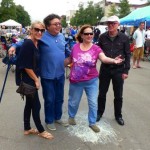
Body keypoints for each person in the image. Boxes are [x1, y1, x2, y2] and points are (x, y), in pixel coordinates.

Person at [8, 14, 70, 131]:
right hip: (47, 75)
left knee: (59, 98)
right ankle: (49, 120)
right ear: (47, 26)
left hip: (60, 74)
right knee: (50, 99)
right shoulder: (42, 36)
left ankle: (58, 117)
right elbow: (26, 41)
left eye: (59, 24)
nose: (58, 26)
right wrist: (14, 46)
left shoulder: (62, 36)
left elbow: (66, 50)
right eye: (55, 24)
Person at [64, 24, 123, 133]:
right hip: (76, 81)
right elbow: (70, 59)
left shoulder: (96, 48)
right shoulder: (75, 47)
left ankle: (92, 122)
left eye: (91, 33)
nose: (89, 35)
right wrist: (59, 64)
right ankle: (71, 117)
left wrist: (113, 60)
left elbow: (104, 58)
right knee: (73, 102)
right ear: (82, 35)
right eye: (86, 33)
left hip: (91, 81)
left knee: (93, 103)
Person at [17, 21, 53, 140]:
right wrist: (36, 80)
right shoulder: (28, 44)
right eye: (36, 29)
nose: (39, 32)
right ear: (31, 30)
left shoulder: (36, 42)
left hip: (30, 79)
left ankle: (27, 128)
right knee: (36, 105)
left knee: (29, 104)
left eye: (42, 30)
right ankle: (41, 130)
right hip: (29, 80)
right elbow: (27, 66)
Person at [96, 16, 131, 126]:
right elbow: (97, 52)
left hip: (119, 70)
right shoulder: (102, 37)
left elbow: (128, 55)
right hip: (105, 70)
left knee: (118, 95)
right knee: (102, 93)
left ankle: (118, 115)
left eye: (113, 23)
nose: (110, 25)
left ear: (118, 24)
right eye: (109, 23)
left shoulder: (124, 38)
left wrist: (126, 71)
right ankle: (99, 113)